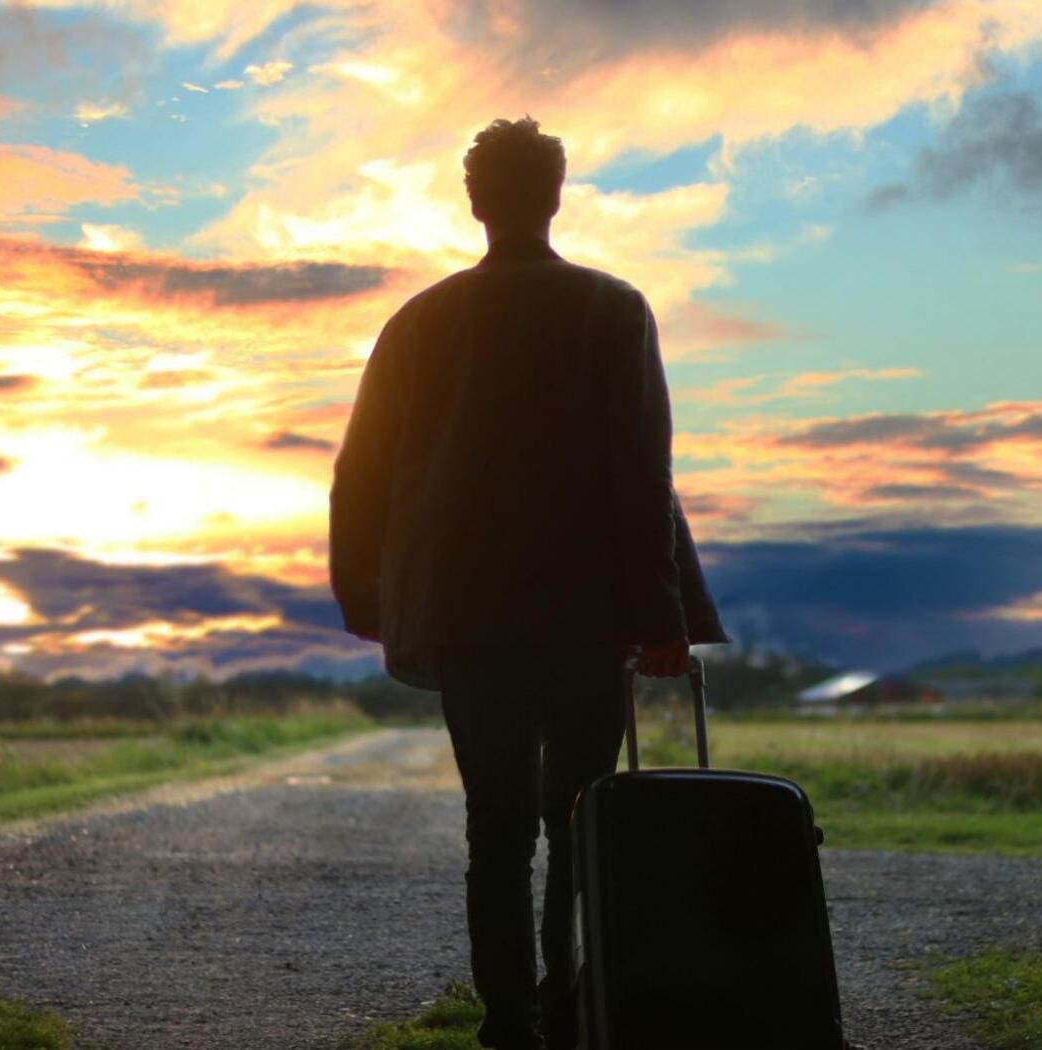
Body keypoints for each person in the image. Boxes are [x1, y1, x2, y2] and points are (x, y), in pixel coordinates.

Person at [329, 116, 728, 1050]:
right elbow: (642, 472)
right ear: (556, 195)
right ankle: (569, 1008)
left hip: (468, 618)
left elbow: (361, 471)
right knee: (581, 820)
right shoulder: (613, 307)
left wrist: (372, 601)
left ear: (476, 202)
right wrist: (661, 615)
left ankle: (508, 1026)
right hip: (588, 615)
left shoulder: (418, 321)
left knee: (495, 829)